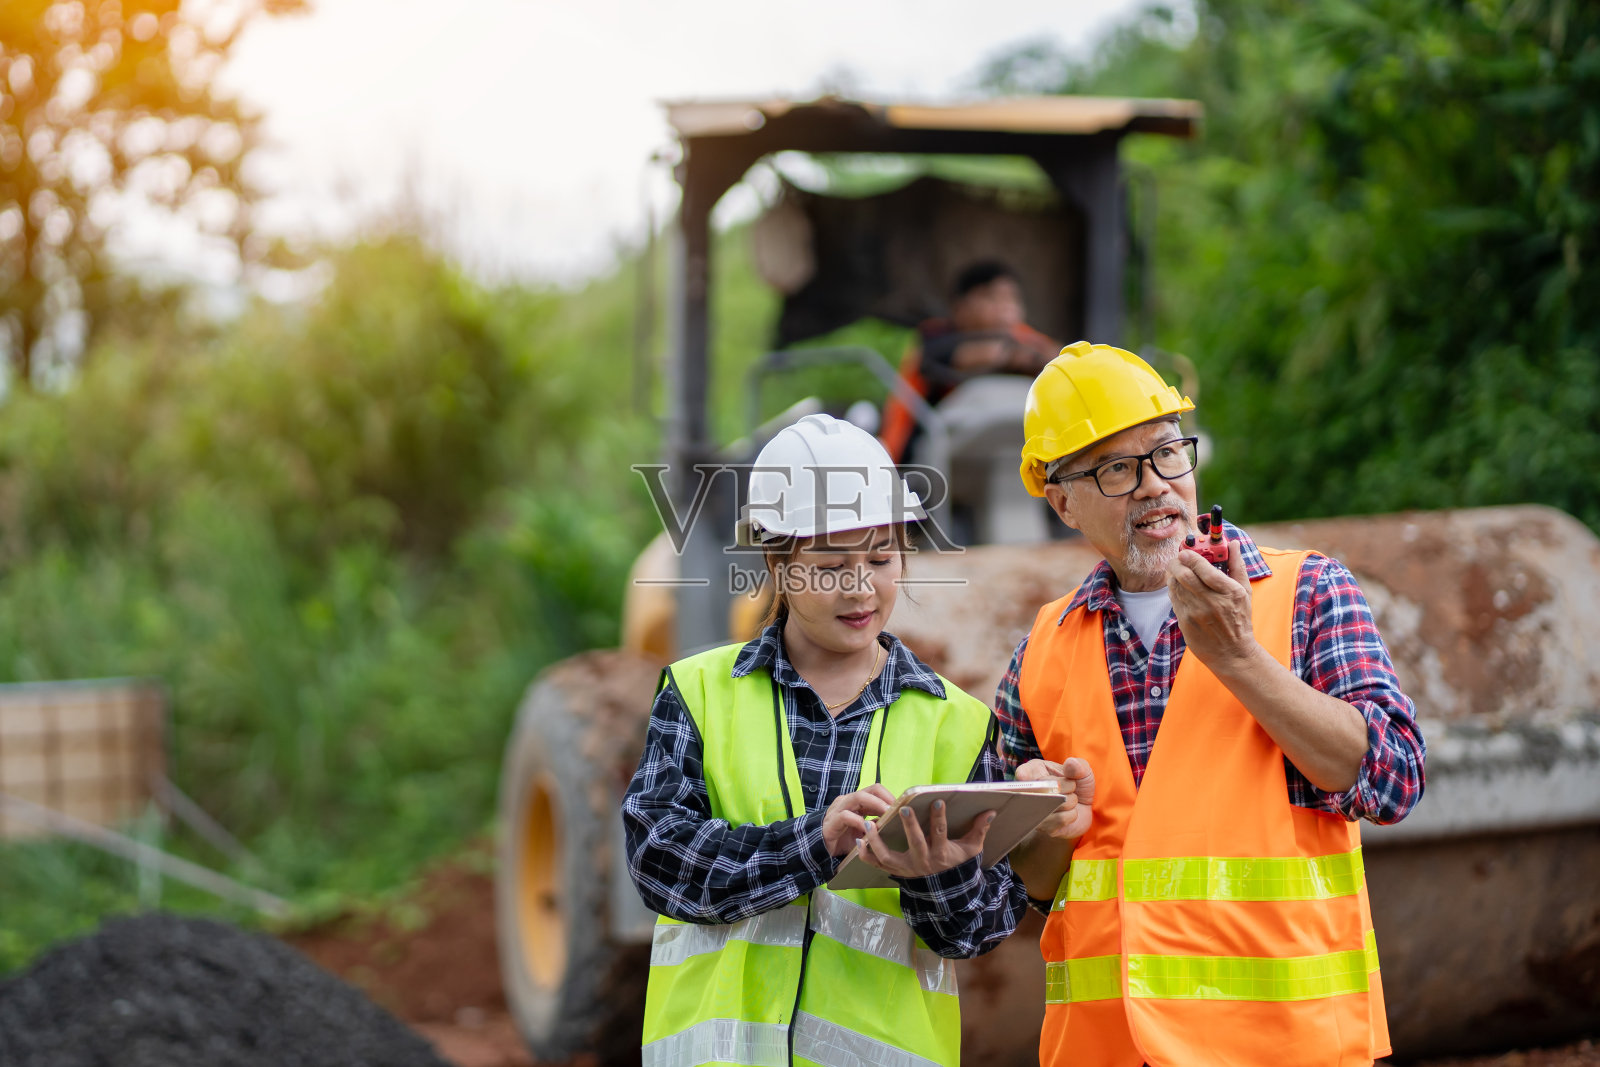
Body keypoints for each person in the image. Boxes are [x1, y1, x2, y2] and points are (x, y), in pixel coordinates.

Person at [1000, 341, 1427, 1067]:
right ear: (1062, 499)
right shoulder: (1042, 648)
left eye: (1168, 453)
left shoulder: (1308, 593)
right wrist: (1048, 834)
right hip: (1106, 1051)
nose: (1155, 486)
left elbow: (1391, 780)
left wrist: (1239, 659)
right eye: (1116, 467)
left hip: (1286, 1046)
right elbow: (1030, 885)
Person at [623, 413, 1028, 1067]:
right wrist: (812, 843)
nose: (861, 586)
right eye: (833, 564)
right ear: (778, 562)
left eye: (880, 558)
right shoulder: (698, 693)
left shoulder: (959, 724)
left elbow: (985, 926)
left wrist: (940, 876)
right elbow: (658, 859)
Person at [880, 260, 1059, 462]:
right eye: (992, 298)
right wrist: (1006, 356)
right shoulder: (936, 335)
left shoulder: (1021, 338)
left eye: (1012, 298)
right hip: (924, 448)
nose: (1006, 308)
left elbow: (1059, 356)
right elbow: (946, 357)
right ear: (961, 307)